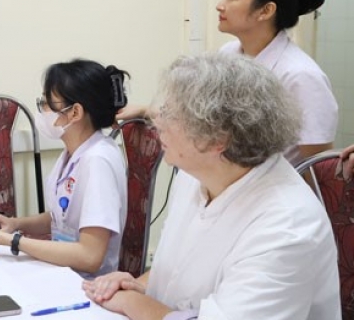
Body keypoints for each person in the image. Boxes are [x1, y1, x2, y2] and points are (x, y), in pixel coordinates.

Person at [84, 53, 340, 320]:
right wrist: (140, 285)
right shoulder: (196, 174)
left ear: (219, 138)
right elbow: (180, 269)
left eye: (171, 114)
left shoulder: (288, 226)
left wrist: (134, 304)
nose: (157, 122)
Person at [118, 0, 338, 165]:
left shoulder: (301, 76)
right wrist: (145, 110)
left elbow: (317, 169)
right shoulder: (228, 54)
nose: (220, 5)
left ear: (266, 10)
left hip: (268, 188)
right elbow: (201, 116)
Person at [0, 59, 129, 279]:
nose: (42, 110)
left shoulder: (98, 161)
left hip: (87, 284)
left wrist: (9, 240)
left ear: (75, 112)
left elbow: (90, 256)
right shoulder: (74, 153)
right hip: (61, 272)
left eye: (47, 103)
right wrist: (13, 224)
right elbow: (62, 220)